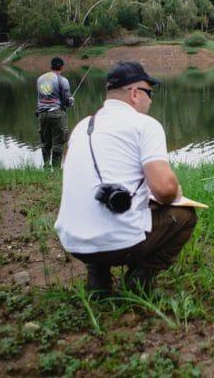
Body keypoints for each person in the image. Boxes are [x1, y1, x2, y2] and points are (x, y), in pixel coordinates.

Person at [55, 61, 198, 298]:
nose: (151, 99)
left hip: (73, 242)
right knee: (186, 216)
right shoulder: (145, 125)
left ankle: (98, 279)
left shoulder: (83, 126)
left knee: (102, 210)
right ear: (134, 93)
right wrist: (175, 193)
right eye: (149, 93)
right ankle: (140, 279)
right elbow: (164, 189)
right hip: (117, 242)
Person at [36, 57, 74, 169]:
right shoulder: (63, 80)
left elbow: (39, 97)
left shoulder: (40, 79)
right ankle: (57, 170)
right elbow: (67, 100)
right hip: (57, 114)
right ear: (62, 67)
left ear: (51, 66)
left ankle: (46, 167)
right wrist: (71, 101)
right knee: (58, 143)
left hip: (42, 114)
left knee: (45, 143)